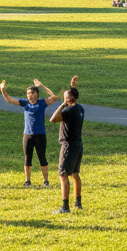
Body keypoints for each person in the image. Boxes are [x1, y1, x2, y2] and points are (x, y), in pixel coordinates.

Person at [0, 76, 75, 187]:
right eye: (28, 93)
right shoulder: (25, 103)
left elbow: (53, 97)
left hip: (40, 135)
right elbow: (10, 99)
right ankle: (27, 181)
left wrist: (41, 85)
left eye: (32, 93)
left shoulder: (42, 103)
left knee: (42, 158)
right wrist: (3, 90)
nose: (30, 95)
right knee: (27, 158)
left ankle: (46, 181)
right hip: (27, 135)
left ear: (36, 94)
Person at [49, 83, 85, 213]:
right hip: (78, 144)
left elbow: (52, 119)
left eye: (65, 97)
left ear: (69, 98)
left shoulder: (69, 110)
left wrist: (63, 104)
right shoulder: (80, 108)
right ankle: (78, 203)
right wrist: (72, 87)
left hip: (68, 145)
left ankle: (65, 207)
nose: (63, 99)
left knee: (63, 174)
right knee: (75, 174)